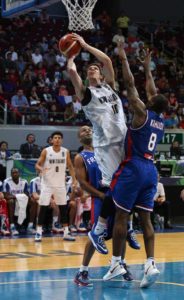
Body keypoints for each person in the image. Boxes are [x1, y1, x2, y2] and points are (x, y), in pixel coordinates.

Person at [102, 46, 168, 288]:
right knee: (146, 219)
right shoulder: (161, 119)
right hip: (151, 169)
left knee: (121, 215)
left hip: (134, 166)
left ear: (149, 103)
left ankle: (116, 262)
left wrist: (123, 59)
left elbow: (130, 85)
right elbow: (151, 89)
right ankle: (151, 263)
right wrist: (148, 68)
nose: (148, 94)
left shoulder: (142, 113)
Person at [67, 33, 140, 253]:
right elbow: (71, 70)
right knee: (113, 188)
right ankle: (98, 230)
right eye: (89, 69)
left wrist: (86, 45)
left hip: (124, 140)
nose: (92, 69)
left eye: (95, 68)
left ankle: (127, 225)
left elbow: (107, 61)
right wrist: (69, 55)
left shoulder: (110, 87)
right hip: (106, 146)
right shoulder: (86, 93)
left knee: (131, 185)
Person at [74, 126, 133, 286]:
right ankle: (82, 271)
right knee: (96, 234)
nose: (87, 131)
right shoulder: (81, 157)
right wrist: (100, 195)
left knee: (121, 231)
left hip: (116, 195)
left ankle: (120, 263)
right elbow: (82, 182)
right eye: (83, 130)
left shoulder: (105, 151)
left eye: (89, 129)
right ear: (79, 138)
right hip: (100, 198)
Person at [34, 131, 77, 242]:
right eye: (55, 137)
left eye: (59, 138)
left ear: (61, 140)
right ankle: (38, 232)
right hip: (47, 184)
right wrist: (41, 169)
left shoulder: (65, 151)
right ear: (52, 140)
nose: (57, 139)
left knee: (63, 209)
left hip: (60, 184)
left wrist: (74, 180)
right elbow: (37, 164)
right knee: (43, 208)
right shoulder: (46, 151)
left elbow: (71, 166)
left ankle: (66, 233)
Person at [3, 168, 29, 235]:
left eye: (16, 172)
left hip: (21, 200)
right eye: (13, 173)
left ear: (19, 173)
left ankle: (25, 225)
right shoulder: (6, 182)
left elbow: (26, 194)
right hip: (12, 200)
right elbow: (6, 195)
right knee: (11, 201)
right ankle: (12, 226)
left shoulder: (24, 181)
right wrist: (17, 197)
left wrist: (18, 197)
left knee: (29, 201)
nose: (15, 174)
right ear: (11, 174)